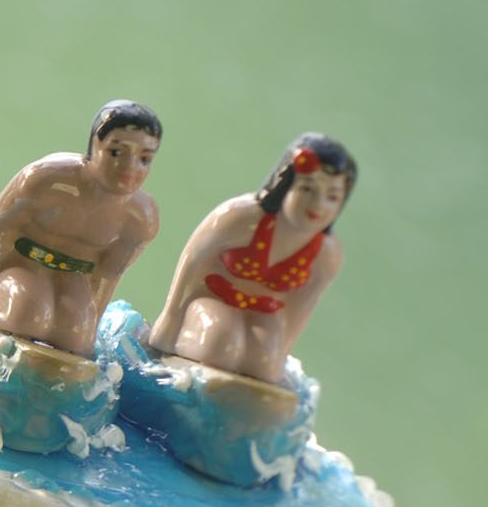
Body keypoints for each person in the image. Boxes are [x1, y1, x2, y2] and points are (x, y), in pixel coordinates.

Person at [0, 100, 163, 356]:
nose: (129, 168)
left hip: (73, 277)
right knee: (26, 311)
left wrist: (91, 326)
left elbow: (107, 275)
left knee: (75, 334)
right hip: (24, 263)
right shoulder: (45, 179)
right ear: (95, 147)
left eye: (144, 159)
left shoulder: (140, 217)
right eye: (116, 152)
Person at [144, 134, 354, 385]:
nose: (317, 205)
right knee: (218, 345)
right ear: (285, 183)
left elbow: (301, 305)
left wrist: (281, 353)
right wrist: (170, 320)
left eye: (332, 197)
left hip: (265, 312)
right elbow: (194, 260)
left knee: (264, 364)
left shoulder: (326, 254)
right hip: (215, 297)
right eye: (307, 189)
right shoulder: (240, 217)